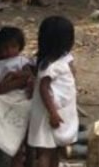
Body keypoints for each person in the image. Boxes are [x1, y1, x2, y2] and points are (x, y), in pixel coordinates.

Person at [27, 17, 78, 167]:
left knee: (54, 149)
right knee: (45, 151)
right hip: (48, 112)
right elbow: (44, 89)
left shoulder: (61, 60)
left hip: (55, 109)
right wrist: (53, 113)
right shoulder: (49, 66)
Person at [0, 28, 32, 167]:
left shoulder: (22, 61)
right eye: (5, 47)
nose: (9, 51)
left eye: (13, 47)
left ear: (20, 47)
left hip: (18, 97)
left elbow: (28, 75)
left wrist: (16, 75)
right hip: (2, 97)